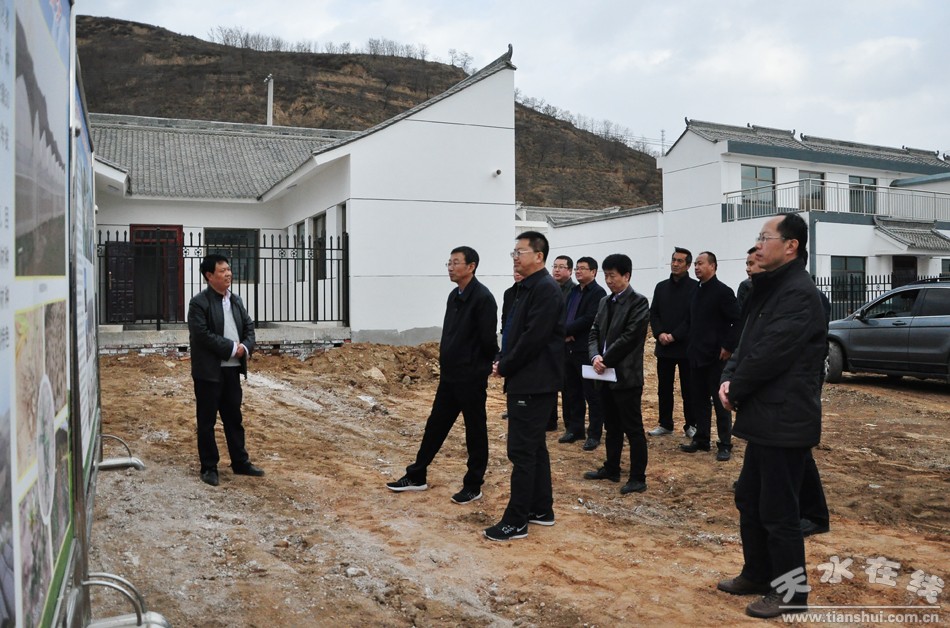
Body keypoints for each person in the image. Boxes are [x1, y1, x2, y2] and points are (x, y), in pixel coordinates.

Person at [716, 213, 826, 618]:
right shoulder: (768, 288)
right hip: (765, 416)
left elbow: (771, 353)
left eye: (765, 238)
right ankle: (757, 573)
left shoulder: (799, 294)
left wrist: (737, 387)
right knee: (749, 498)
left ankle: (792, 595)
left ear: (791, 246)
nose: (758, 245)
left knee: (780, 512)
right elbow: (746, 345)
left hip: (785, 418)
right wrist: (728, 378)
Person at [386, 246, 498, 504]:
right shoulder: (453, 296)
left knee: (475, 431)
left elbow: (487, 340)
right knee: (435, 425)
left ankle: (473, 484)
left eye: (456, 262)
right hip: (450, 376)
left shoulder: (483, 298)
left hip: (470, 377)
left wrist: (483, 365)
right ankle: (417, 475)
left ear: (471, 266)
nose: (450, 267)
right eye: (448, 263)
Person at [484, 231, 564, 541]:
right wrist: (502, 358)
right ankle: (541, 509)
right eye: (514, 253)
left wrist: (505, 365)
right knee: (534, 447)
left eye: (520, 252)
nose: (515, 257)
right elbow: (512, 332)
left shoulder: (545, 289)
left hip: (534, 380)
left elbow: (533, 338)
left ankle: (516, 520)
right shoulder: (525, 288)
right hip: (526, 378)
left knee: (521, 451)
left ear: (539, 256)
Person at [188, 253, 264, 487]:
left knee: (234, 418)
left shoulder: (236, 300)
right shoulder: (199, 303)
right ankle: (209, 467)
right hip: (209, 372)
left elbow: (249, 327)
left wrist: (245, 347)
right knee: (207, 421)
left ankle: (240, 462)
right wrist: (232, 348)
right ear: (209, 276)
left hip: (232, 371)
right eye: (222, 271)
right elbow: (202, 335)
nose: (228, 274)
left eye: (228, 269)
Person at [582, 254, 651, 495]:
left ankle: (637, 477)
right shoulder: (605, 301)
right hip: (604, 374)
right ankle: (611, 468)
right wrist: (595, 357)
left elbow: (630, 337)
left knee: (633, 428)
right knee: (611, 426)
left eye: (612, 275)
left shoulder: (638, 303)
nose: (608, 280)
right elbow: (594, 332)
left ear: (626, 276)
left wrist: (606, 359)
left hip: (625, 376)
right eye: (606, 276)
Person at [679, 251, 740, 461]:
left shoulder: (723, 292)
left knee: (720, 401)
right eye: (695, 264)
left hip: (716, 356)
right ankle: (702, 439)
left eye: (700, 263)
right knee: (699, 399)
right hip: (696, 355)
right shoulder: (695, 291)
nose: (696, 267)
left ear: (713, 266)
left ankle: (725, 443)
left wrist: (728, 346)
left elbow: (737, 321)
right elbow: (689, 321)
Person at [648, 247, 698, 437]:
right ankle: (665, 423)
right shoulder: (661, 287)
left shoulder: (695, 288)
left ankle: (691, 424)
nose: (675, 264)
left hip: (686, 347)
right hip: (664, 347)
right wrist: (660, 333)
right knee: (664, 388)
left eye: (680, 261)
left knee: (689, 388)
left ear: (688, 265)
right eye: (673, 260)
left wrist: (674, 335)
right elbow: (654, 313)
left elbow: (692, 317)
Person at [559, 256, 607, 449]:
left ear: (593, 272)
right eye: (577, 268)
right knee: (572, 392)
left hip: (585, 349)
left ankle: (594, 433)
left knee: (591, 393)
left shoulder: (597, 292)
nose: (578, 271)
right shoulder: (573, 291)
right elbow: (564, 314)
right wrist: (564, 332)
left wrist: (566, 331)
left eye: (582, 268)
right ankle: (575, 428)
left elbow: (590, 319)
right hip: (568, 348)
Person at [548, 255, 576, 431]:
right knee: (549, 383)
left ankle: (570, 424)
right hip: (550, 344)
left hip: (567, 345)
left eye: (561, 267)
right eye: (555, 266)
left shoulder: (574, 291)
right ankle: (550, 421)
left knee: (568, 387)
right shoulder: (549, 289)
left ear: (570, 271)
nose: (557, 270)